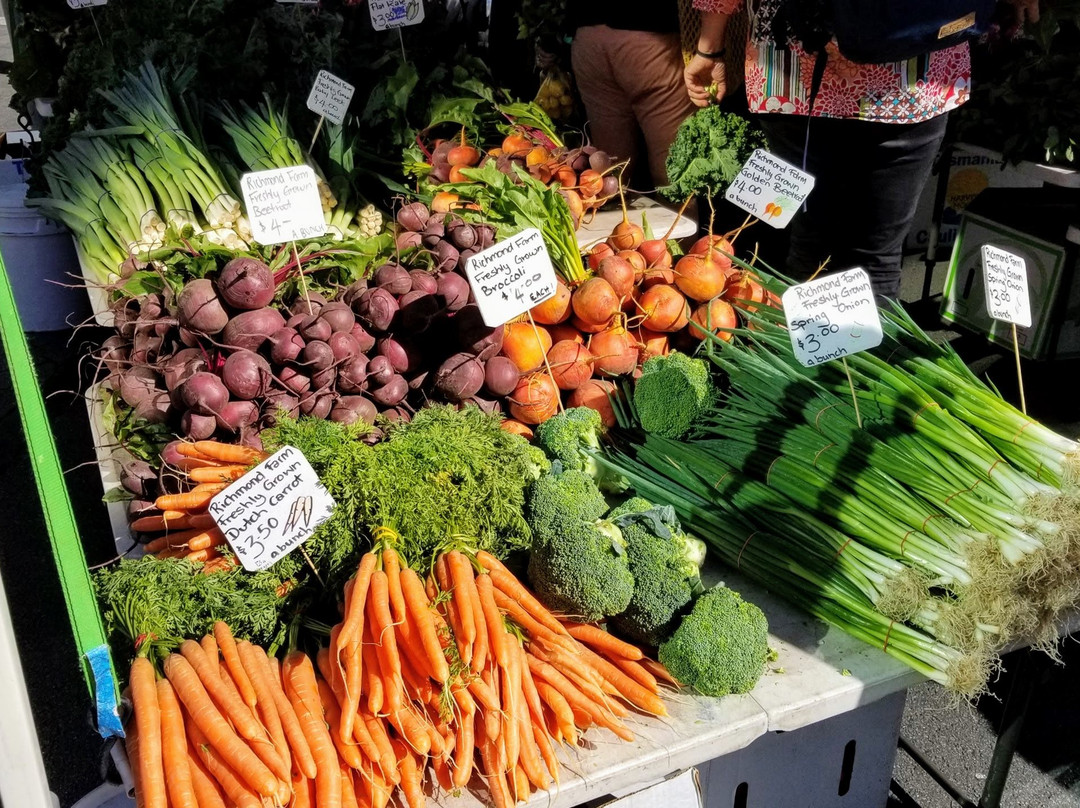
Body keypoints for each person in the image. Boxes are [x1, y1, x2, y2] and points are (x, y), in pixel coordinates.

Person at [683, 0, 1031, 299]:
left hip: (793, 75)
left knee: (809, 245)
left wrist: (709, 44)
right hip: (912, 71)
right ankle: (862, 371)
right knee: (876, 255)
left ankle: (812, 369)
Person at [570, 2, 696, 190]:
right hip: (650, 37)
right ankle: (680, 217)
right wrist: (711, 52)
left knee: (609, 172)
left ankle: (610, 215)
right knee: (674, 177)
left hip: (588, 36)